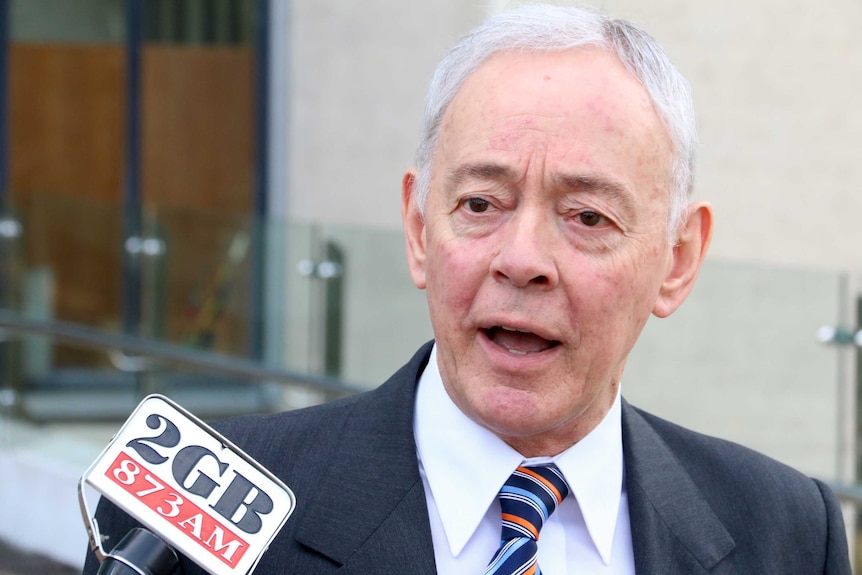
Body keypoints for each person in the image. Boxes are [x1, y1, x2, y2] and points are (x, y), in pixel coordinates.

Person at [83, 3, 851, 574]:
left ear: (677, 259)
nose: (522, 259)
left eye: (587, 215)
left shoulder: (785, 530)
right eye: (480, 204)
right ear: (419, 229)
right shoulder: (186, 516)